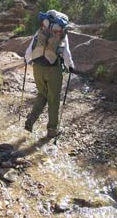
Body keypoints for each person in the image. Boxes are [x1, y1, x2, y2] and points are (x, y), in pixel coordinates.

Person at [24, 10, 75, 138]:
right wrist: (71, 66)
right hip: (53, 70)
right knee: (53, 99)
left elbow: (29, 50)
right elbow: (66, 54)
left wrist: (27, 60)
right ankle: (52, 130)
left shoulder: (41, 30)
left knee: (42, 94)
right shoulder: (61, 32)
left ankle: (30, 122)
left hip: (38, 68)